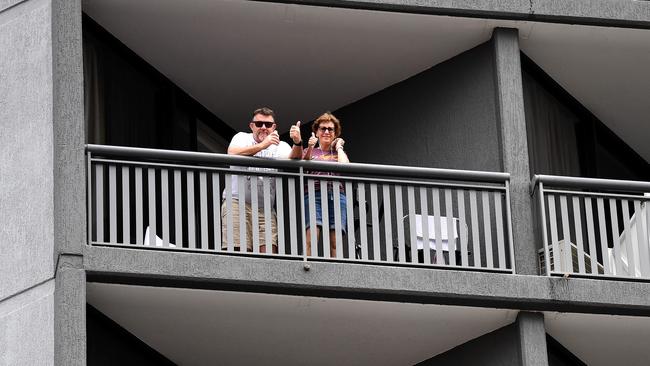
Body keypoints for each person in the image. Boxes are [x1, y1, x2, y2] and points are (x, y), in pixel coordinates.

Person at [222, 107, 303, 254]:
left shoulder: (280, 146)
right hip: (237, 203)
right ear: (251, 126)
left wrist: (297, 142)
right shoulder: (242, 137)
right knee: (238, 252)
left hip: (265, 209)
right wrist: (263, 145)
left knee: (268, 255)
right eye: (259, 124)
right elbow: (232, 153)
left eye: (268, 124)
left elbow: (295, 158)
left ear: (274, 127)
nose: (263, 128)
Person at [301, 112, 350, 257]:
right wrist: (310, 147)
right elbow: (304, 164)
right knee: (312, 236)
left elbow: (345, 167)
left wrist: (339, 147)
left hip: (337, 195)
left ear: (335, 133)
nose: (327, 132)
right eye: (323, 128)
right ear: (316, 132)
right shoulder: (310, 150)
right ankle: (308, 267)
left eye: (330, 129)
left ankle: (336, 271)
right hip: (314, 194)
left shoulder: (338, 153)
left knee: (336, 241)